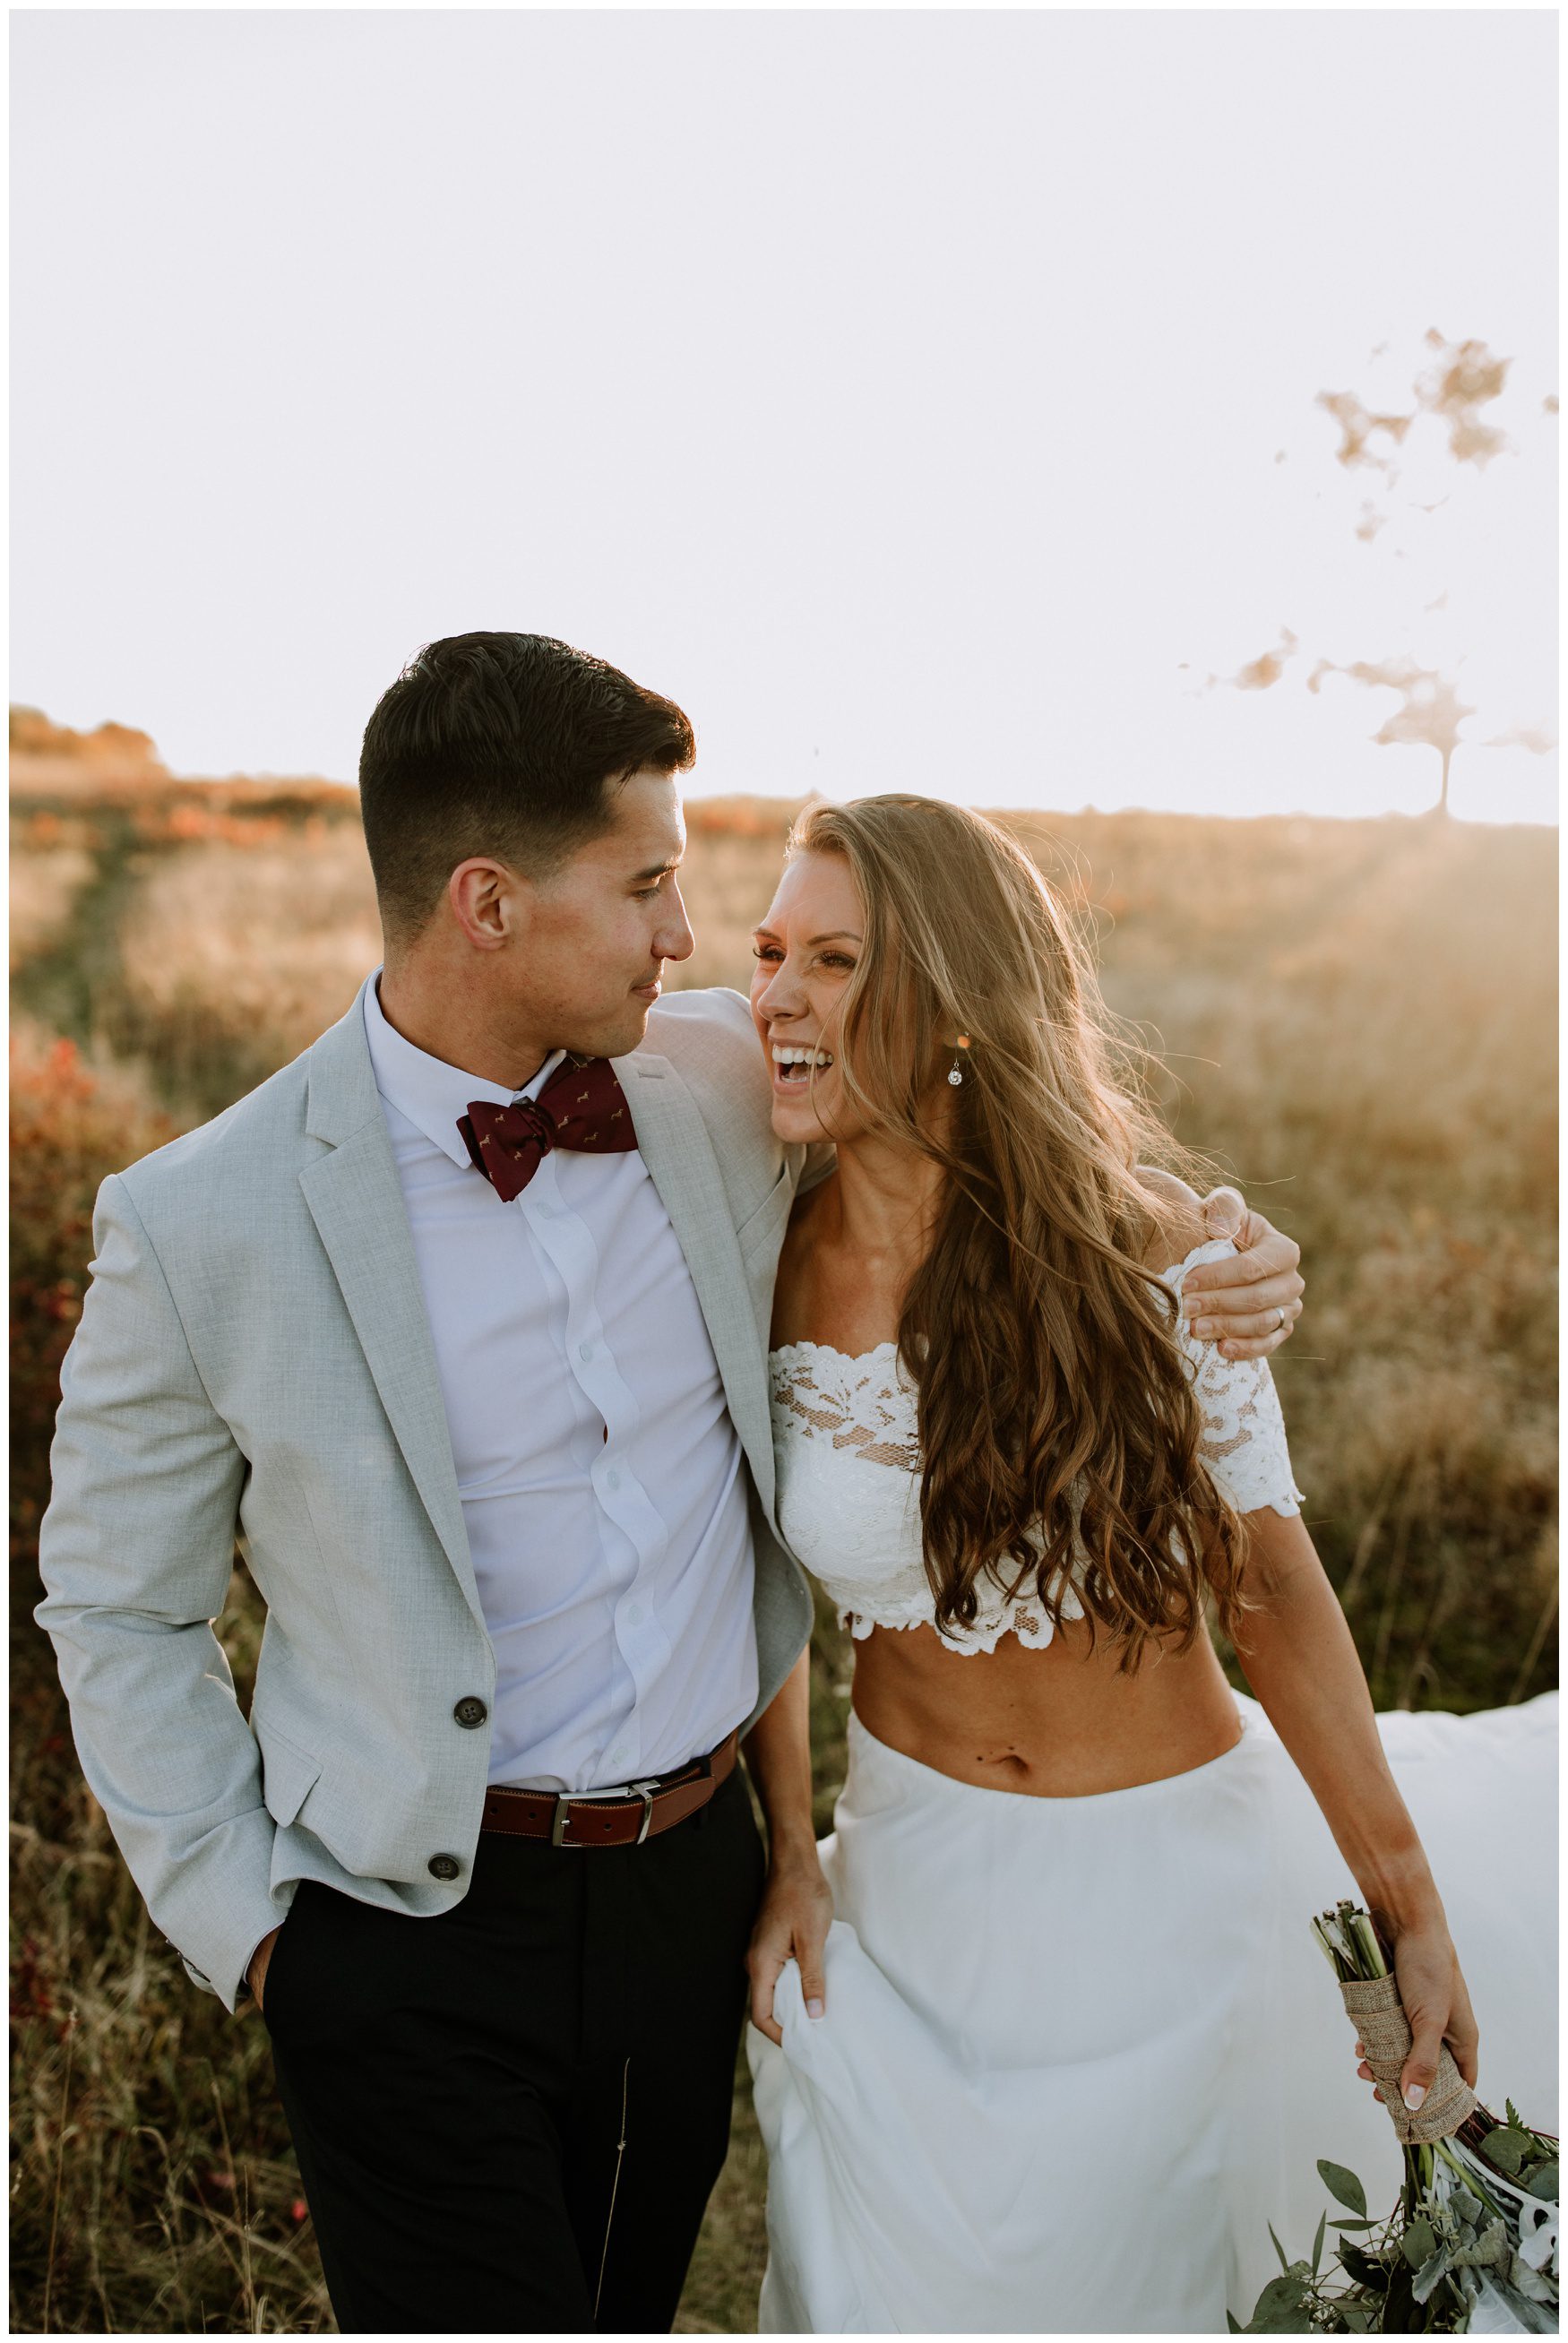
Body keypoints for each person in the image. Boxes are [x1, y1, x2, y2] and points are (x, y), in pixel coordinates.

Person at [34, 633, 1307, 2335]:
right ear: (486, 904)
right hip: (402, 1929)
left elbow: (991, 1119)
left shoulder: (718, 1077)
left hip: (688, 1895)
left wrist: (1218, 1253)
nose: (691, 940)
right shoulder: (202, 1223)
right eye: (646, 885)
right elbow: (114, 1602)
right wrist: (256, 1926)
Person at [741, 794, 1558, 2335]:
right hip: (905, 1897)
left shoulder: (1151, 1256)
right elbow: (750, 1595)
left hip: (1165, 1899)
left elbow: (1269, 1592)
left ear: (956, 1005)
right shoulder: (751, 1250)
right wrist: (792, 1856)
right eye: (770, 949)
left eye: (836, 960)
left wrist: (1405, 1898)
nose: (776, 994)